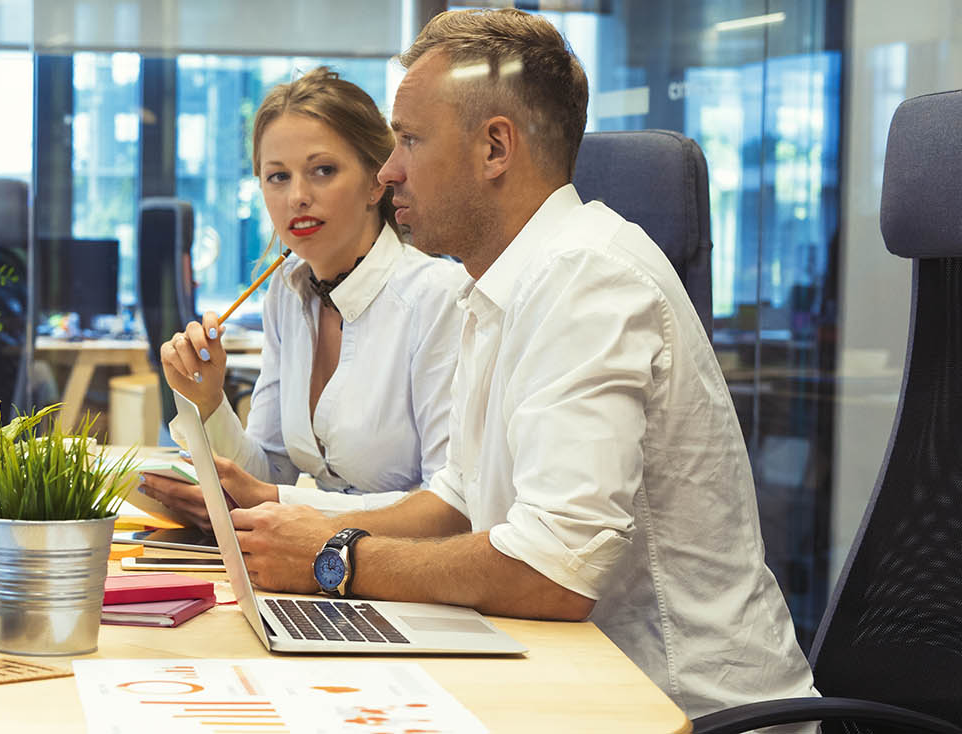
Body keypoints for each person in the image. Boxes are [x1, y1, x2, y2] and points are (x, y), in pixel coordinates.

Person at [229, 8, 816, 721]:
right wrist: (286, 515)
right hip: (568, 682)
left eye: (410, 140)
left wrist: (338, 560)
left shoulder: (588, 277)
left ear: (495, 148)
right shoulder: (501, 285)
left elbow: (552, 571)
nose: (390, 171)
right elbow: (455, 504)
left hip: (680, 708)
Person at [139, 67, 468, 530]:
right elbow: (269, 470)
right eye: (277, 177)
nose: (297, 197)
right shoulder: (287, 293)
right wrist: (210, 402)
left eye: (323, 171)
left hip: (406, 573)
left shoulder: (439, 297)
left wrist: (281, 501)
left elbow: (451, 510)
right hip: (313, 567)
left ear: (377, 182)